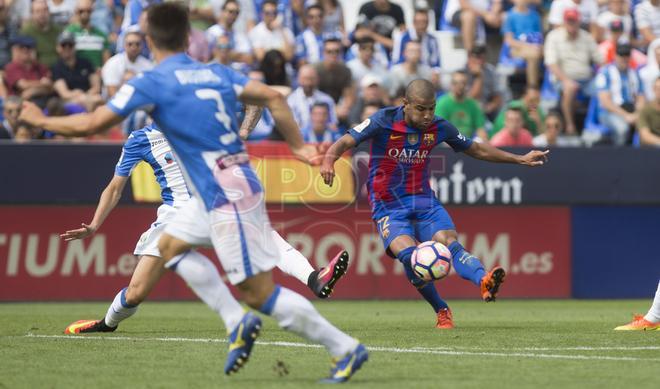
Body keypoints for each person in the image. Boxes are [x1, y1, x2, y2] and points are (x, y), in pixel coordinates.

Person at [19, 3, 367, 383]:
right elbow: (275, 98)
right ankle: (241, 319)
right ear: (189, 37)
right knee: (170, 249)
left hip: (216, 193)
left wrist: (39, 120)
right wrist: (299, 148)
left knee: (258, 293)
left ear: (149, 40)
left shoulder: (152, 82)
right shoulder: (216, 74)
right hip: (234, 184)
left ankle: (343, 348)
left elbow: (90, 122)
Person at [63, 124, 350, 335]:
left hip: (215, 206)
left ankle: (314, 278)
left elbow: (241, 130)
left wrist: (250, 116)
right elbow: (115, 187)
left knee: (264, 236)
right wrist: (95, 224)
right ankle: (107, 324)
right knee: (136, 292)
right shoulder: (142, 139)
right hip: (176, 217)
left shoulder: (202, 123)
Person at [320, 79, 549, 329]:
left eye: (432, 108)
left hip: (424, 200)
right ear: (405, 104)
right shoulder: (382, 120)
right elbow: (344, 141)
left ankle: (484, 280)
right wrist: (328, 161)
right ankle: (441, 309)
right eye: (421, 108)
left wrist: (520, 159)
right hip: (389, 206)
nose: (428, 115)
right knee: (409, 257)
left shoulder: (439, 127)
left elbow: (478, 150)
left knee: (450, 243)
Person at [544, 8, 602, 134]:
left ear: (578, 21)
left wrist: (605, 72)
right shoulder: (554, 36)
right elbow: (551, 64)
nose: (571, 24)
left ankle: (593, 124)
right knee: (569, 88)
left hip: (586, 80)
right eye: (569, 21)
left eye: (574, 21)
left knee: (602, 89)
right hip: (562, 79)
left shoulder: (586, 37)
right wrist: (566, 80)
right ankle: (570, 125)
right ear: (564, 22)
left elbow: (599, 59)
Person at [595, 43, 645, 146]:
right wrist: (626, 115)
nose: (624, 59)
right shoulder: (605, 73)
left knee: (647, 127)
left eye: (627, 55)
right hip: (610, 112)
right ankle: (619, 157)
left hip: (631, 110)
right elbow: (605, 102)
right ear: (615, 56)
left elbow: (641, 98)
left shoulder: (635, 73)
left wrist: (637, 114)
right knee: (622, 128)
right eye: (621, 55)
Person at [51, 31, 103, 111]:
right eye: (63, 45)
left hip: (89, 97)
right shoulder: (56, 67)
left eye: (70, 45)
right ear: (58, 48)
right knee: (95, 101)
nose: (67, 48)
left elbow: (96, 86)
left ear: (75, 46)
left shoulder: (86, 63)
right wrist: (79, 96)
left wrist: (85, 96)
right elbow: (64, 93)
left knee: (98, 99)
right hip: (69, 102)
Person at [434, 70, 488, 141]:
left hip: (469, 144)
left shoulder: (473, 104)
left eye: (463, 83)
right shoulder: (442, 103)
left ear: (467, 85)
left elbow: (481, 129)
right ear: (451, 84)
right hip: (448, 144)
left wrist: (484, 141)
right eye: (455, 83)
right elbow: (440, 132)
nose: (460, 86)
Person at [501, 0, 543, 88]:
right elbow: (509, 40)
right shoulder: (510, 16)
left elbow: (539, 36)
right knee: (533, 55)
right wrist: (528, 46)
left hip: (535, 47)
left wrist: (537, 46)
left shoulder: (535, 16)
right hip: (516, 50)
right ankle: (532, 87)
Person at [287, 64, 337, 131]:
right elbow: (291, 126)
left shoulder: (327, 100)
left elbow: (333, 125)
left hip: (323, 138)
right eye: (305, 78)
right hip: (299, 137)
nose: (308, 83)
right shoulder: (291, 100)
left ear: (317, 79)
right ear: (299, 79)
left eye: (311, 79)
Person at [65, 0, 111, 69]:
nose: (85, 14)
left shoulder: (101, 34)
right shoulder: (69, 33)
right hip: (76, 73)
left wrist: (103, 71)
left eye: (88, 11)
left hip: (97, 72)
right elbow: (65, 56)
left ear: (92, 11)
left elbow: (106, 59)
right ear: (76, 11)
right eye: (81, 11)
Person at [205, 0, 253, 66]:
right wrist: (237, 56)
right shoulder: (212, 32)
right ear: (222, 11)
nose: (233, 15)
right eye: (230, 11)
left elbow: (249, 58)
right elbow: (207, 56)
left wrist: (224, 53)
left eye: (237, 13)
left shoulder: (240, 35)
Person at [464, 45, 503, 121]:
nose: (479, 62)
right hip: (466, 109)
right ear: (469, 58)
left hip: (486, 110)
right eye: (476, 58)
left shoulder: (491, 71)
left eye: (482, 58)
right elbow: (471, 99)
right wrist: (479, 76)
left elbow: (497, 96)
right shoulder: (462, 72)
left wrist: (490, 106)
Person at [20, 0, 63, 67]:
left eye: (45, 10)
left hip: (58, 69)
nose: (42, 14)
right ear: (32, 14)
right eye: (38, 11)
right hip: (37, 71)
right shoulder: (26, 32)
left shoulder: (58, 30)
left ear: (49, 12)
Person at [294, 4, 325, 68]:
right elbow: (301, 62)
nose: (316, 20)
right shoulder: (301, 38)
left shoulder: (331, 35)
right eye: (312, 17)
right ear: (307, 19)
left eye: (319, 16)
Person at [638, 77, 660, 147]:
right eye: (657, 88)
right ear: (653, 89)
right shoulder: (646, 110)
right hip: (651, 149)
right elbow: (645, 136)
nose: (659, 91)